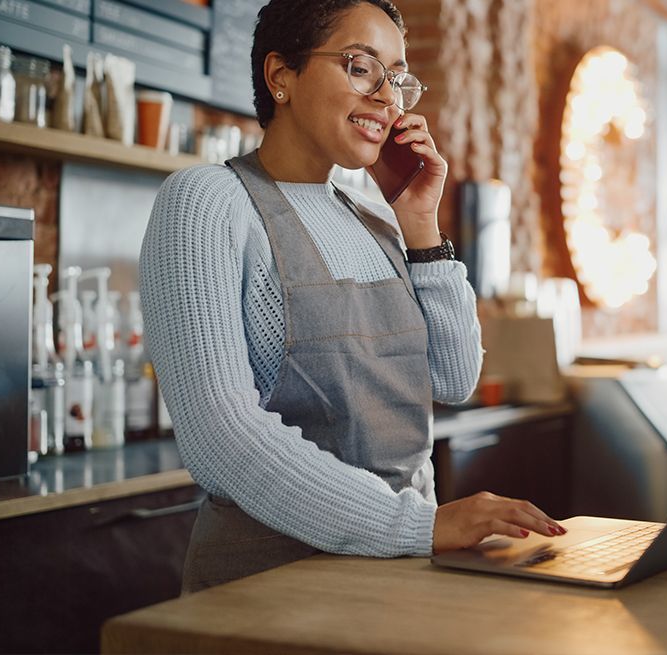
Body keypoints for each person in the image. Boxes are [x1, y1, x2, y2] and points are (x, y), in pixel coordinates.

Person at [140, 0, 563, 594]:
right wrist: (416, 525)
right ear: (280, 75)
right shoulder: (207, 201)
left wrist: (421, 224)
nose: (388, 98)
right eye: (361, 67)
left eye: (395, 78)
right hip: (269, 592)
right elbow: (222, 439)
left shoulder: (375, 217)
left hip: (399, 575)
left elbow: (453, 378)